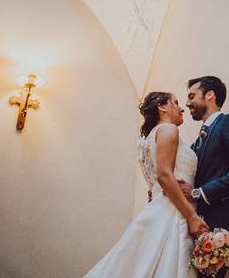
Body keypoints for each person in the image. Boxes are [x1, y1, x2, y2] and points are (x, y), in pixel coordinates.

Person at [84, 91, 207, 277]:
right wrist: (191, 217)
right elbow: (164, 176)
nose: (181, 107)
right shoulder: (168, 129)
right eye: (175, 102)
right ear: (162, 107)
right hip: (175, 212)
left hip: (159, 208)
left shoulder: (148, 139)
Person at [179, 76, 229, 276]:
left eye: (191, 96)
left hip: (225, 224)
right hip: (201, 226)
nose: (187, 103)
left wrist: (198, 193)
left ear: (210, 95)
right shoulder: (198, 141)